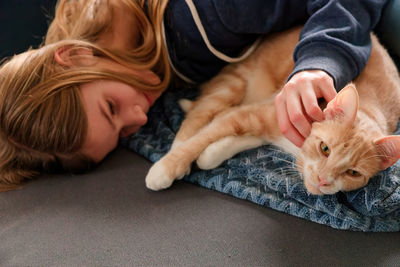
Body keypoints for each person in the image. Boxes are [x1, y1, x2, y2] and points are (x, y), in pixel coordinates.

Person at [0, 0, 392, 191]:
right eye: (123, 133)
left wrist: (318, 64)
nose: (139, 117)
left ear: (73, 55)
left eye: (111, 107)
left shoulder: (211, 15)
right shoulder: (131, 50)